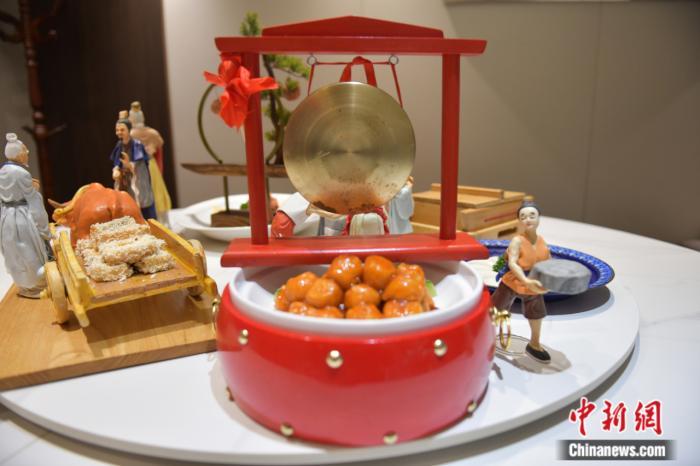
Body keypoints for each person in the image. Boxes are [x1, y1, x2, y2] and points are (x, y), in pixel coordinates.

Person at [491, 200, 552, 363]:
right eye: (523, 217)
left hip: (533, 284)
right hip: (512, 281)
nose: (528, 219)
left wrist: (549, 280)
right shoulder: (517, 241)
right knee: (495, 310)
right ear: (519, 221)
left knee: (537, 313)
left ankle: (534, 344)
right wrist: (525, 279)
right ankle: (485, 336)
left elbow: (548, 263)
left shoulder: (542, 241)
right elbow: (512, 263)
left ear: (539, 218)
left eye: (532, 215)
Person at [0, 133, 50, 298]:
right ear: (18, 154)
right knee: (28, 248)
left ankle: (23, 284)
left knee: (14, 252)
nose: (27, 152)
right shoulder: (22, 173)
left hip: (6, 217)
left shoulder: (3, 171)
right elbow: (34, 201)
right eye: (24, 150)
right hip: (22, 217)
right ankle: (37, 284)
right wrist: (44, 228)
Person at [128, 102, 172, 223]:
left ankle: (150, 220)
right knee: (155, 189)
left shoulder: (131, 134)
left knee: (145, 190)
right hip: (151, 164)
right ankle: (160, 219)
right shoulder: (153, 133)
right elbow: (160, 145)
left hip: (140, 166)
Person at [110, 113, 156, 219]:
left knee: (143, 205)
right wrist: (116, 170)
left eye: (122, 130)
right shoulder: (119, 145)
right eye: (117, 130)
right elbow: (116, 162)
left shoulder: (137, 145)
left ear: (129, 130)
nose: (119, 132)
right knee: (128, 206)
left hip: (138, 180)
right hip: (126, 182)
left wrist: (129, 165)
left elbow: (141, 165)